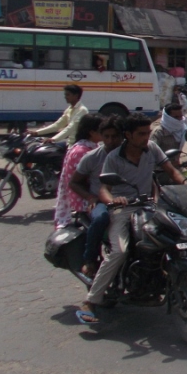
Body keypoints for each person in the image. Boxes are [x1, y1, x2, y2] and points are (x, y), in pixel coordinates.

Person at [76, 114, 185, 324]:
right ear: (128, 135)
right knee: (120, 251)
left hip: (149, 207)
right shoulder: (113, 158)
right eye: (141, 134)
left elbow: (171, 171)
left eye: (148, 133)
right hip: (123, 210)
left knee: (176, 239)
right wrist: (113, 201)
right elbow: (103, 189)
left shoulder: (152, 148)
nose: (146, 137)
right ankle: (91, 301)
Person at [69, 115, 124, 276]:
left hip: (129, 200)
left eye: (115, 136)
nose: (111, 140)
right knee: (101, 219)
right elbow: (74, 182)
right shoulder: (92, 157)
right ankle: (90, 260)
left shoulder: (131, 153)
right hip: (101, 202)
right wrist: (90, 197)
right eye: (106, 136)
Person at [53, 113, 102, 229]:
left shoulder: (91, 147)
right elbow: (81, 181)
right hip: (84, 200)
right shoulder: (81, 151)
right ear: (92, 132)